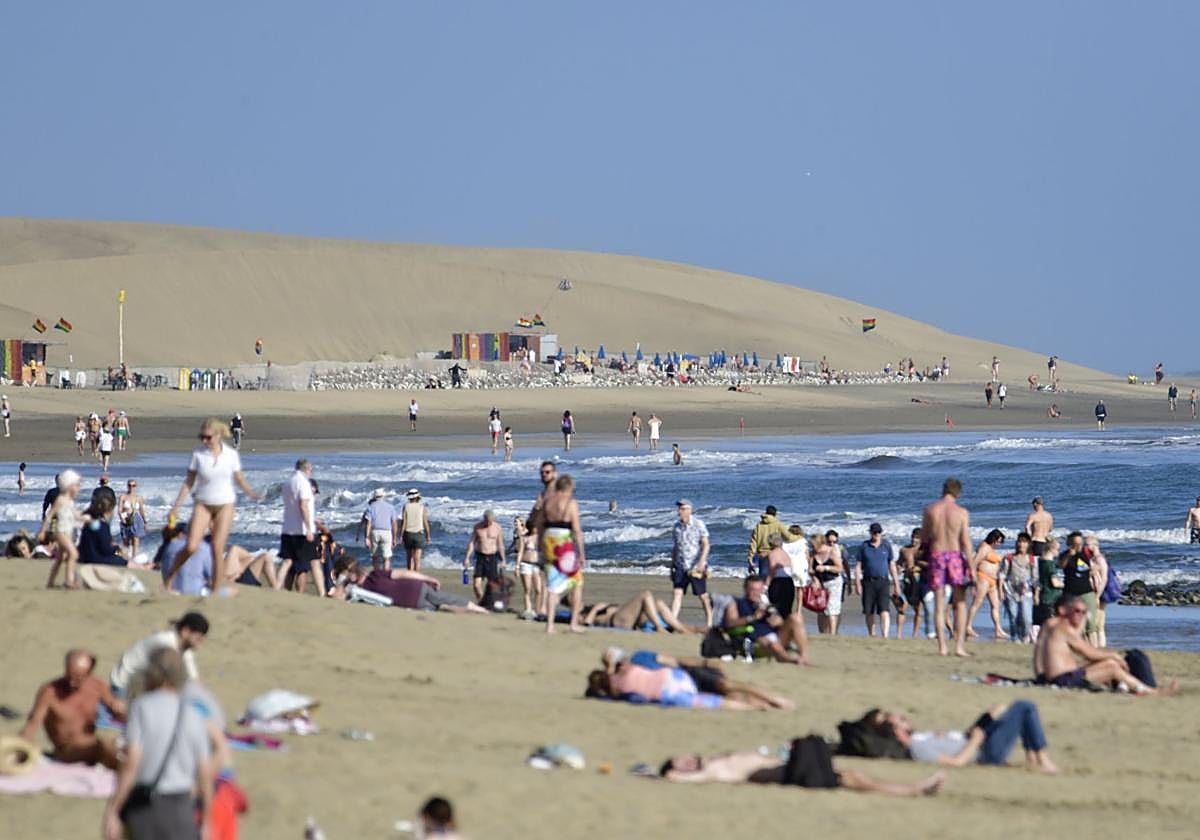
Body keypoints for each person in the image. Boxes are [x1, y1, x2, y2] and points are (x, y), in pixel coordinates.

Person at [104, 647, 214, 840]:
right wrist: (206, 821)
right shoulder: (194, 714)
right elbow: (205, 774)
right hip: (182, 806)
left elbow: (131, 763)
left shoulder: (141, 708)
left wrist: (113, 810)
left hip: (146, 805)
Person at [164, 419, 260, 598]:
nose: (204, 441)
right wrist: (176, 507)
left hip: (225, 504)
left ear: (218, 435)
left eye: (208, 437)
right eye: (202, 437)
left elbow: (238, 478)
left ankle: (215, 593)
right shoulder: (198, 455)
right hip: (203, 503)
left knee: (217, 547)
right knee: (191, 546)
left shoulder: (230, 455)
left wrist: (252, 493)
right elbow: (189, 483)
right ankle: (169, 578)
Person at [657, 743, 944, 796]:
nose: (684, 760)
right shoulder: (713, 771)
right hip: (790, 775)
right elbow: (674, 778)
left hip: (793, 771)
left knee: (852, 777)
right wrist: (671, 774)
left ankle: (914, 789)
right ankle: (915, 789)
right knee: (812, 742)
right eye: (680, 763)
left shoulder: (715, 760)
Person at [851, 701, 1058, 773]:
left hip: (974, 740)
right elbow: (957, 763)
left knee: (1001, 709)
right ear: (897, 732)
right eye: (903, 720)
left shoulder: (920, 738)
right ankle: (1042, 759)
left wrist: (978, 726)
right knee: (1024, 707)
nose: (908, 721)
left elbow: (958, 740)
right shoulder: (917, 748)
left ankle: (1034, 757)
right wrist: (977, 738)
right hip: (983, 752)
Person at [1033, 596, 1177, 694]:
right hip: (1063, 680)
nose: (1080, 615)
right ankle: (1150, 692)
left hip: (1057, 676)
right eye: (1077, 611)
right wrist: (1114, 655)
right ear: (1064, 611)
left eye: (1084, 612)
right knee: (1112, 666)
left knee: (1107, 662)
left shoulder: (1051, 624)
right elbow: (1088, 652)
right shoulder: (1063, 628)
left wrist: (1040, 678)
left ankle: (1124, 685)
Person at [21, 649, 126, 769]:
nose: (71, 683)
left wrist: (121, 709)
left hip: (92, 744)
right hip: (66, 751)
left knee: (120, 747)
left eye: (78, 678)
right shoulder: (50, 692)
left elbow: (117, 712)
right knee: (105, 747)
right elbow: (33, 723)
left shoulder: (97, 685)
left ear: (89, 673)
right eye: (68, 676)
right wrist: (22, 746)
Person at [920, 477, 973, 657]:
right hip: (955, 556)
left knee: (939, 602)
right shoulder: (962, 512)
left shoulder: (930, 510)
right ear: (958, 493)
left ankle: (942, 646)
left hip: (937, 555)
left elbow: (925, 538)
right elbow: (966, 542)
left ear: (943, 490)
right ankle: (959, 646)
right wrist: (972, 566)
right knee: (960, 602)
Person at [331, 556, 489, 613]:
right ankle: (478, 611)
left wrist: (427, 578)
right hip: (415, 595)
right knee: (445, 603)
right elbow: (404, 573)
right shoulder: (364, 585)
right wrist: (427, 578)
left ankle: (479, 611)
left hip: (415, 595)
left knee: (445, 603)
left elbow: (403, 573)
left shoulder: (368, 582)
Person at [111, 613, 208, 697]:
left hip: (142, 686)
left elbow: (194, 680)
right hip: (125, 684)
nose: (201, 641)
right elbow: (167, 678)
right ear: (186, 632)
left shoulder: (185, 650)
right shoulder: (164, 642)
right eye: (199, 636)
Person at [722, 576, 810, 665]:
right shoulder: (736, 604)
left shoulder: (764, 604)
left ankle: (803, 655)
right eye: (752, 590)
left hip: (776, 636)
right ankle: (790, 660)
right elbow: (729, 623)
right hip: (756, 640)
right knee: (771, 643)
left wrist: (779, 622)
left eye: (759, 590)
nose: (756, 593)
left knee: (795, 617)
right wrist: (753, 618)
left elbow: (779, 621)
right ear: (745, 589)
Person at [538, 474, 586, 633]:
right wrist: (582, 554)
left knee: (552, 585)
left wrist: (540, 547)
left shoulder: (547, 501)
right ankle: (573, 623)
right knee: (576, 582)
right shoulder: (570, 503)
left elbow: (540, 526)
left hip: (549, 540)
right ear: (569, 488)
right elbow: (577, 530)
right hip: (563, 542)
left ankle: (550, 625)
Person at [277, 458, 322, 595]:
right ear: (307, 469)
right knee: (312, 562)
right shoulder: (304, 483)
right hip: (301, 531)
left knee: (287, 562)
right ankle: (321, 593)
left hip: (288, 528)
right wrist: (309, 528)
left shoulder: (288, 483)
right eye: (311, 470)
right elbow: (303, 506)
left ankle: (277, 589)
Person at [669, 499, 713, 625]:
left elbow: (706, 544)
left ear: (690, 510)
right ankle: (672, 622)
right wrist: (672, 565)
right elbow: (676, 547)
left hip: (696, 567)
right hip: (681, 565)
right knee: (677, 593)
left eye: (683, 509)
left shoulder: (698, 524)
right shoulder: (676, 527)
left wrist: (701, 562)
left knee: (702, 595)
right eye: (679, 509)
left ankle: (709, 623)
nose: (679, 511)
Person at [38, 469, 83, 589]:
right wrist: (42, 531)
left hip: (67, 530)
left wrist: (88, 519)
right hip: (59, 530)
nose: (78, 488)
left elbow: (75, 515)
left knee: (60, 558)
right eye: (77, 485)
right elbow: (49, 513)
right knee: (73, 554)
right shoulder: (59, 498)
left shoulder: (69, 500)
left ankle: (50, 582)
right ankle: (69, 581)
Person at [852, 523, 898, 638]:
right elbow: (858, 566)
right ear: (870, 533)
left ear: (881, 532)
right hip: (868, 582)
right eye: (873, 532)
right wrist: (857, 583)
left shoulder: (886, 546)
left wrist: (897, 584)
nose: (875, 534)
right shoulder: (864, 546)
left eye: (878, 532)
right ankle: (872, 634)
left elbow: (891, 565)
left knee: (884, 609)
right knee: (869, 610)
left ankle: (885, 635)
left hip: (883, 581)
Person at [965, 529, 1010, 641]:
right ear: (993, 539)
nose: (999, 544)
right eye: (998, 541)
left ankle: (998, 629)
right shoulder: (984, 547)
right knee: (977, 603)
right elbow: (974, 563)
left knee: (996, 606)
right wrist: (974, 579)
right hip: (983, 578)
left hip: (992, 581)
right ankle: (968, 626)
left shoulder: (990, 548)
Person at [582, 592, 700, 633]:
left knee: (658, 603)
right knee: (645, 595)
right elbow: (586, 623)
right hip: (616, 621)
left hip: (630, 619)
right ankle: (659, 627)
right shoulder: (583, 614)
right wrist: (595, 609)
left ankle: (680, 628)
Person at [1058, 531, 1099, 644]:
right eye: (1075, 544)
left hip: (1086, 592)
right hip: (1070, 593)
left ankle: (1093, 649)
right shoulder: (1065, 555)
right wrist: (1069, 555)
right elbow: (1061, 565)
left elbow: (1091, 570)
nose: (1078, 547)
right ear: (1069, 544)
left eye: (1080, 544)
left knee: (1090, 625)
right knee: (1073, 624)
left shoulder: (1085, 555)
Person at [999, 532, 1036, 643]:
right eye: (1019, 541)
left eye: (1024, 541)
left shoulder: (1032, 559)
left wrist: (1037, 593)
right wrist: (1000, 591)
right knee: (1013, 616)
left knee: (1027, 618)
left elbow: (1035, 578)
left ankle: (1024, 636)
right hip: (1010, 591)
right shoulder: (1009, 558)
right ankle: (1015, 639)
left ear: (1028, 544)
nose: (1021, 544)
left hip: (1026, 592)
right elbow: (1002, 575)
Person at [807, 532, 844, 635]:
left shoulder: (831, 552)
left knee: (831, 609)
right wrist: (815, 580)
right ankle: (822, 633)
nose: (812, 547)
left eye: (813, 545)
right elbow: (810, 570)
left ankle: (832, 634)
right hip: (821, 584)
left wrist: (826, 568)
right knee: (821, 609)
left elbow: (839, 568)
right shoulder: (812, 554)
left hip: (833, 582)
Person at [464, 509, 505, 601]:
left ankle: (490, 603)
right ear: (484, 518)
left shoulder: (497, 528)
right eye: (487, 521)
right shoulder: (477, 527)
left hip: (492, 557)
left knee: (493, 585)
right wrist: (467, 558)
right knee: (476, 585)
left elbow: (500, 544)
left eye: (490, 522)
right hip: (480, 557)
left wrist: (503, 560)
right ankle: (483, 602)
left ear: (493, 519)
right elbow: (472, 543)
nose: (488, 524)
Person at [79, 492, 129, 566]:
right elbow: (106, 550)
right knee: (125, 562)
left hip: (84, 558)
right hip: (97, 561)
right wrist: (116, 548)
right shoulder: (102, 525)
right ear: (109, 510)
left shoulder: (88, 522)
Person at [357, 487, 398, 571]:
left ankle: (377, 574)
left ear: (374, 497)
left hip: (374, 531)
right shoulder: (390, 507)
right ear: (383, 496)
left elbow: (368, 523)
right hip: (387, 532)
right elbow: (394, 523)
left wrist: (366, 537)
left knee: (375, 557)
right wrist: (394, 537)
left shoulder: (371, 507)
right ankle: (385, 575)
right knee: (387, 557)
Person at [513, 516, 543, 619]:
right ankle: (528, 610)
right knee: (528, 589)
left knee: (539, 590)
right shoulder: (524, 538)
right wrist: (517, 566)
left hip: (536, 565)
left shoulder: (540, 538)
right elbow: (520, 552)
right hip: (525, 564)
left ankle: (537, 610)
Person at [746, 504, 788, 576]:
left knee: (763, 577)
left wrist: (750, 557)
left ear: (766, 513)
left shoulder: (759, 525)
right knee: (775, 578)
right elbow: (788, 537)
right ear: (775, 514)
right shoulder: (778, 524)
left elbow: (753, 543)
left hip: (761, 554)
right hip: (774, 554)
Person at [1085, 535, 1111, 648]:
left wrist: (1097, 596)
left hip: (1099, 593)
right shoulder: (1091, 559)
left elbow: (1104, 578)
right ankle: (1098, 646)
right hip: (1094, 593)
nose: (1085, 547)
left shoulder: (1099, 559)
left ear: (1095, 546)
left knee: (1097, 623)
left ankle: (1099, 647)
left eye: (1087, 544)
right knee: (1096, 622)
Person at [400, 488, 432, 570]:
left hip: (408, 533)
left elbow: (404, 522)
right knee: (417, 558)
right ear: (418, 497)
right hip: (419, 533)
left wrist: (401, 535)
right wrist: (428, 535)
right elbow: (425, 522)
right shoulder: (422, 507)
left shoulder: (406, 506)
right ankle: (416, 577)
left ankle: (410, 576)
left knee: (409, 557)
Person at [118, 479, 149, 557]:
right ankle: (125, 558)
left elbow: (142, 510)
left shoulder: (139, 498)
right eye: (129, 485)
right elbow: (119, 510)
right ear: (127, 486)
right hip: (126, 519)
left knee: (136, 540)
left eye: (133, 485)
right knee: (126, 541)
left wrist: (145, 522)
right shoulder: (123, 497)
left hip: (136, 519)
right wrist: (122, 519)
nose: (131, 487)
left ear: (136, 486)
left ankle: (134, 558)